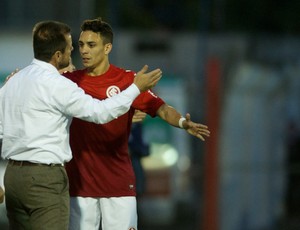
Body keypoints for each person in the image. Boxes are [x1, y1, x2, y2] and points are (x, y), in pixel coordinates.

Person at [0, 20, 162, 230]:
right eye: (70, 47)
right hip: (45, 178)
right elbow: (99, 112)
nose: (75, 51)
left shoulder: (12, 82)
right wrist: (134, 88)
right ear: (58, 55)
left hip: (13, 178)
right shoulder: (58, 85)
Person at [64, 17, 210, 230]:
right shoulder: (70, 81)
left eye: (91, 45)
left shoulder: (127, 80)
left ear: (107, 47)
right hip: (80, 184)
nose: (84, 50)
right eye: (81, 45)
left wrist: (181, 122)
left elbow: (161, 108)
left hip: (118, 183)